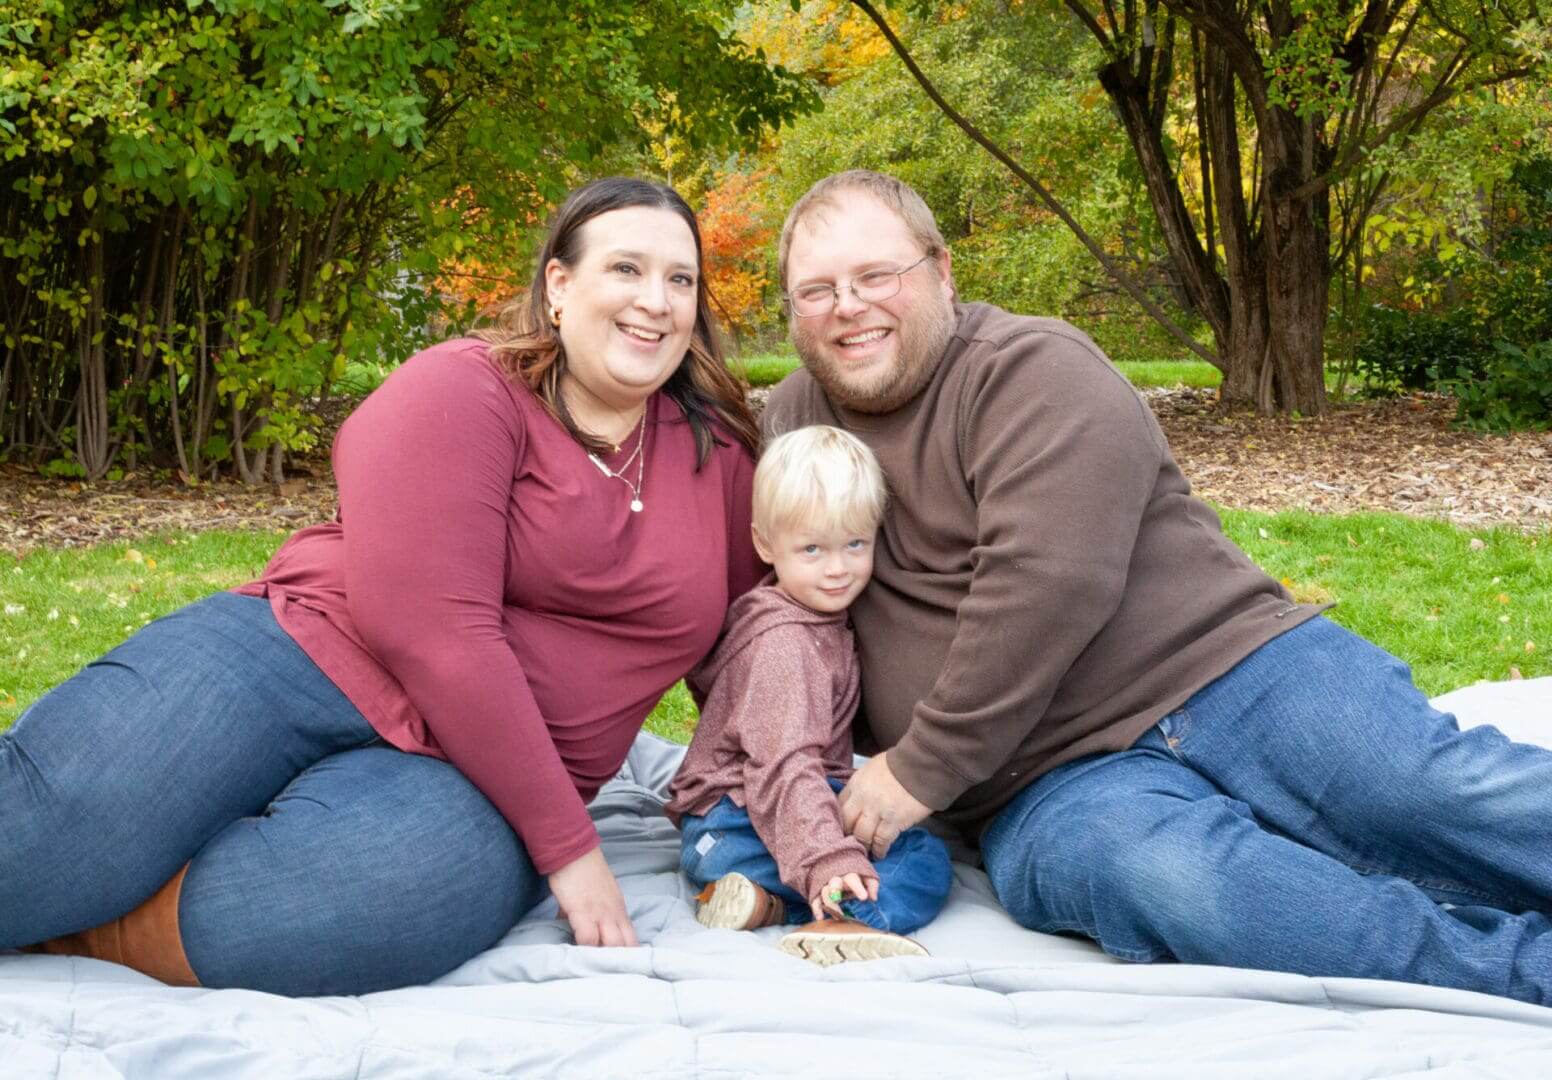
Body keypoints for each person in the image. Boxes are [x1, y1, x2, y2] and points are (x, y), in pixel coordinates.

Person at [760, 169, 1552, 1005]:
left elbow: (1049, 583)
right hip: (1040, 785)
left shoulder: (1030, 369)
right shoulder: (789, 425)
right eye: (816, 290)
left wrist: (919, 768)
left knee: (1422, 793)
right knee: (1189, 884)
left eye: (875, 276)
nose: (848, 306)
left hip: (1231, 671)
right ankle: (1522, 971)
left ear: (942, 271)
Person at [0, 177, 764, 996]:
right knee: (59, 829)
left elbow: (754, 639)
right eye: (626, 269)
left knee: (348, 903)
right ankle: (101, 863)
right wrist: (573, 854)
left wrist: (807, 803)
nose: (656, 301)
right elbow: (435, 630)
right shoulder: (469, 388)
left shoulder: (717, 456)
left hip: (491, 776)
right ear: (559, 286)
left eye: (680, 279)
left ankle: (103, 921)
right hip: (300, 656)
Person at [666, 425, 952, 966]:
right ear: (765, 544)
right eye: (813, 548)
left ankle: (766, 906)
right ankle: (847, 919)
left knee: (901, 843)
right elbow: (783, 765)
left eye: (855, 544)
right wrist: (825, 858)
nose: (838, 567)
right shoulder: (786, 645)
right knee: (922, 861)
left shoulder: (802, 611)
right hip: (734, 826)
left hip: (742, 827)